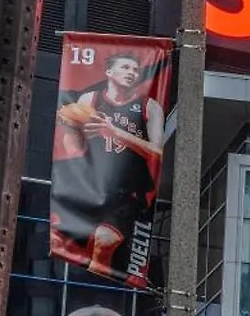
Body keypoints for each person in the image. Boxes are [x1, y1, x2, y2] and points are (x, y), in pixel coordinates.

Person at [51, 51, 165, 280]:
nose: (132, 73)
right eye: (125, 68)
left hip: (127, 193)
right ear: (109, 72)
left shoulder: (150, 107)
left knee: (105, 240)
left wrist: (115, 133)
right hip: (92, 185)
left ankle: (98, 289)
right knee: (57, 239)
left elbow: (157, 153)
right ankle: (76, 285)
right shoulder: (89, 100)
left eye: (135, 70)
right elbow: (73, 146)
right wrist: (72, 128)